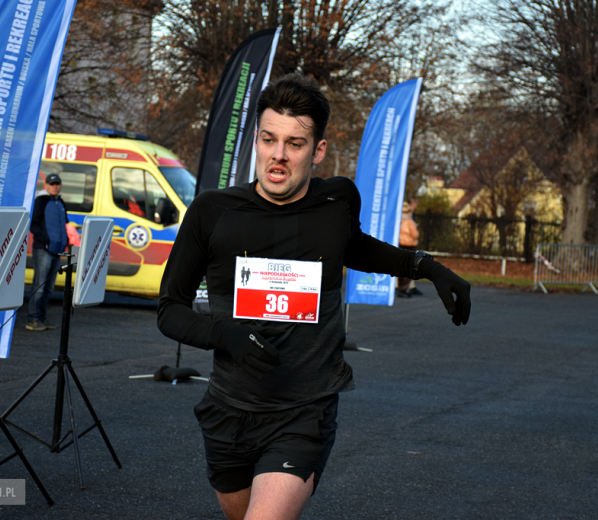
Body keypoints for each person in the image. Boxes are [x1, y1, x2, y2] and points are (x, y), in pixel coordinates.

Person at [157, 73, 470, 520]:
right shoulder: (212, 211)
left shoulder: (337, 200)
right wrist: (225, 335)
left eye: (295, 143)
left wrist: (426, 266)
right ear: (256, 141)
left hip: (304, 411)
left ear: (318, 150)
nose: (278, 155)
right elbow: (169, 310)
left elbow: (352, 245)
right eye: (269, 139)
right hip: (228, 410)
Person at [27, 173, 69, 331]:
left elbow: (65, 224)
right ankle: (32, 319)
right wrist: (45, 238)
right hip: (43, 249)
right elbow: (33, 224)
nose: (55, 186)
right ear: (46, 185)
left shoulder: (60, 202)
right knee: (39, 285)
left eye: (57, 184)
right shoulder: (41, 201)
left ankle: (42, 318)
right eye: (52, 184)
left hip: (56, 250)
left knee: (49, 287)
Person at [396, 198, 423, 297]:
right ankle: (404, 288)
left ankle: (400, 287)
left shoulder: (398, 220)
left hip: (400, 244)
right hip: (410, 245)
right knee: (410, 267)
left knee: (401, 266)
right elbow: (415, 235)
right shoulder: (410, 222)